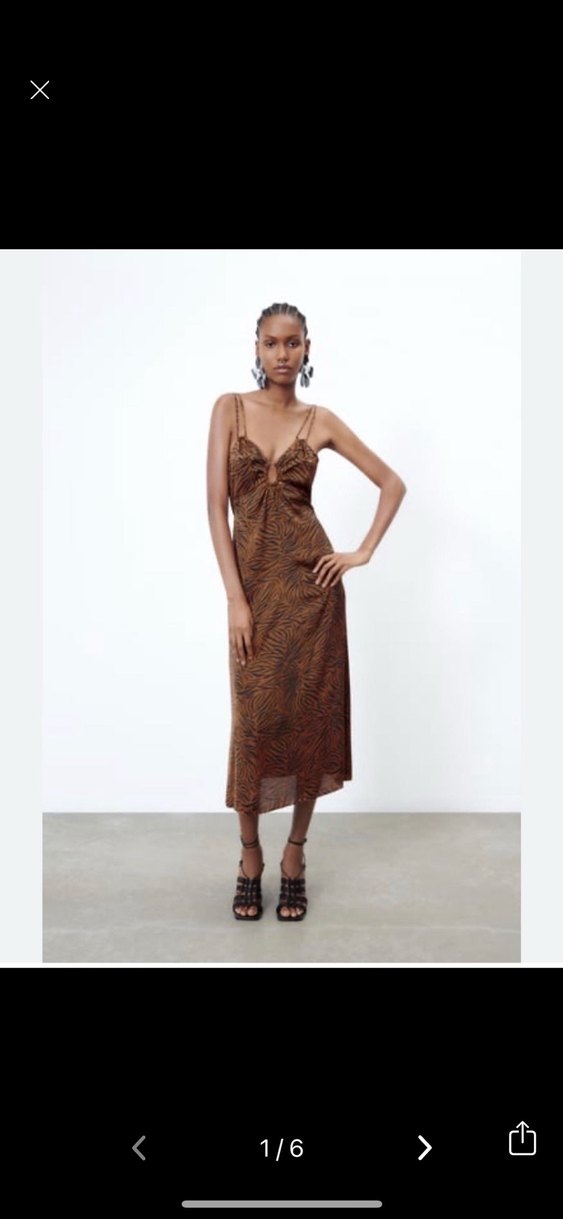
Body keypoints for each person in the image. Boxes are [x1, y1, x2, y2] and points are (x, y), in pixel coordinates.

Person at [206, 302, 407, 923]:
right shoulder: (229, 409)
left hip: (312, 595)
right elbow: (216, 508)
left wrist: (361, 551)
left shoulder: (320, 421)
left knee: (308, 724)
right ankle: (250, 856)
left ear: (307, 349)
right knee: (253, 724)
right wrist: (235, 599)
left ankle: (294, 855)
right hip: (255, 596)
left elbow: (392, 483)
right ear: (257, 348)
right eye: (272, 343)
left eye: (292, 343)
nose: (282, 354)